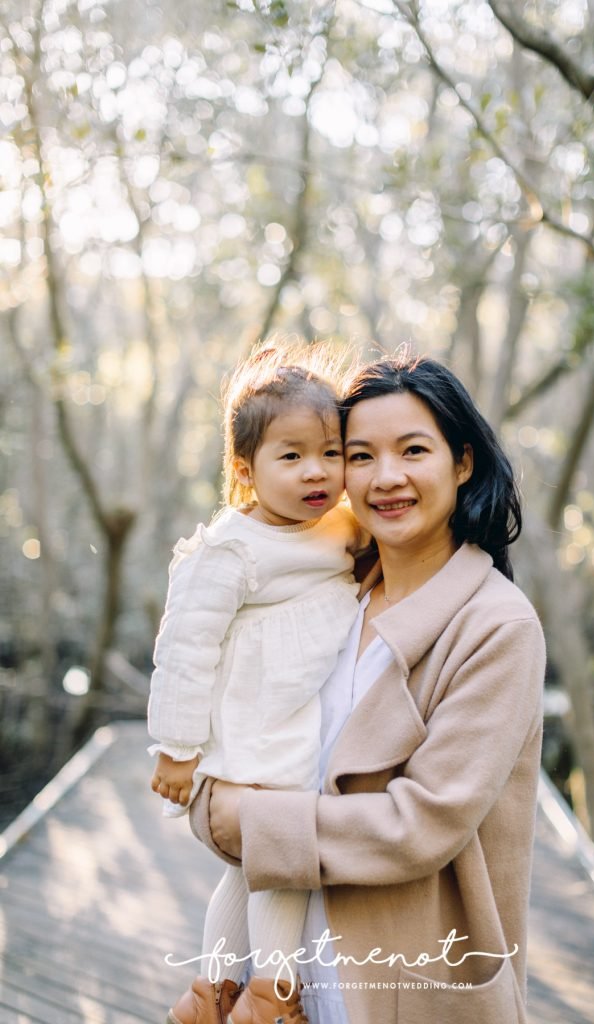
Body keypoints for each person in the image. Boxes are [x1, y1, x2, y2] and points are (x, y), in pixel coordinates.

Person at [192, 353, 547, 1024]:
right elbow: (241, 731)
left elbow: (420, 825)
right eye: (359, 456)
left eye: (413, 450)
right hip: (282, 974)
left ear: (462, 462)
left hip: (403, 986)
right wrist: (208, 793)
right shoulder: (330, 593)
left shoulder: (497, 627)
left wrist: (245, 820)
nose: (386, 477)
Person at [147, 343, 369, 1024]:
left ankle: (208, 996)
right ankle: (273, 994)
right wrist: (177, 748)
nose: (316, 471)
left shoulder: (340, 527)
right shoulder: (231, 549)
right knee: (285, 862)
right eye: (291, 455)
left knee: (245, 874)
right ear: (245, 471)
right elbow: (184, 650)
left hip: (292, 729)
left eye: (331, 452)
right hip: (246, 736)